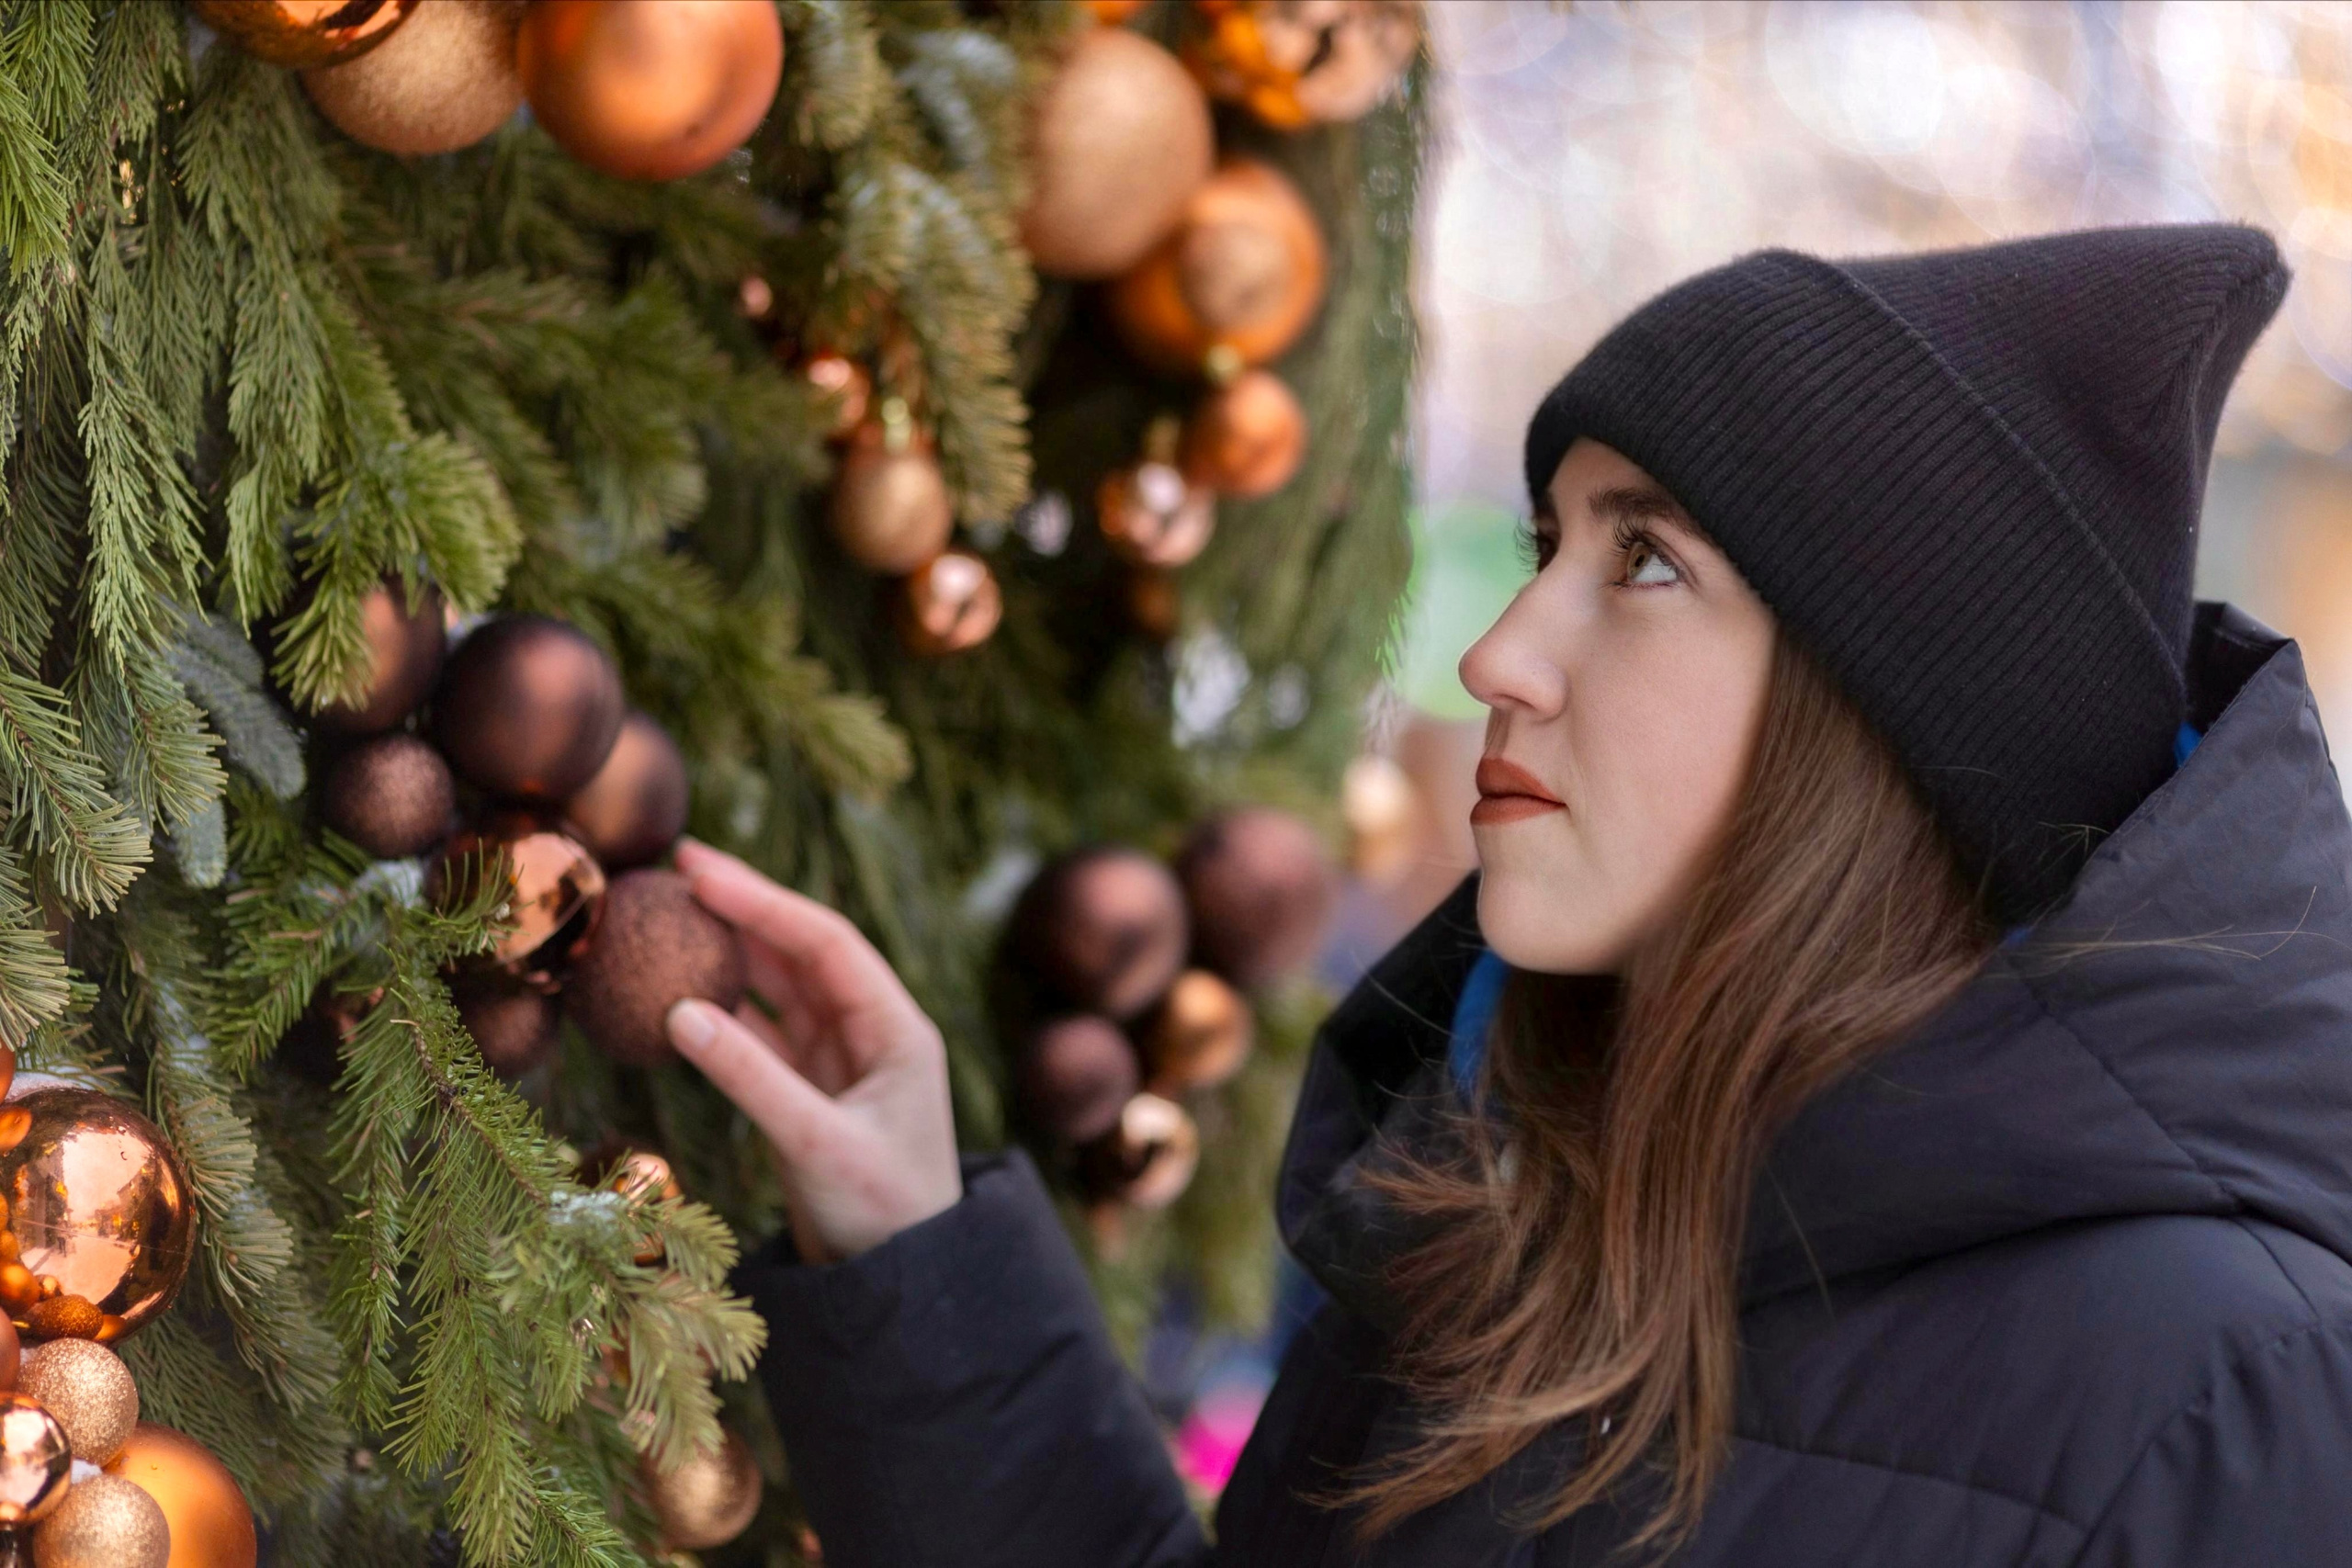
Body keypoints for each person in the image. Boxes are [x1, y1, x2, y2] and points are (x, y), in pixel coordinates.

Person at [662, 225, 2352, 1566]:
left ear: (1889, 713)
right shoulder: (1513, 1206)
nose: (1497, 655)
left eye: (1647, 561)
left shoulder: (2223, 1395)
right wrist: (912, 1257)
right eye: (1550, 541)